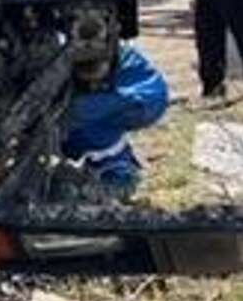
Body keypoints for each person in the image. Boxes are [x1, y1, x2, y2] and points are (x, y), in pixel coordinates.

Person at [61, 41, 169, 200]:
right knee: (77, 116)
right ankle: (115, 167)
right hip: (144, 94)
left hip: (141, 96)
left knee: (74, 115)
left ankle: (118, 173)